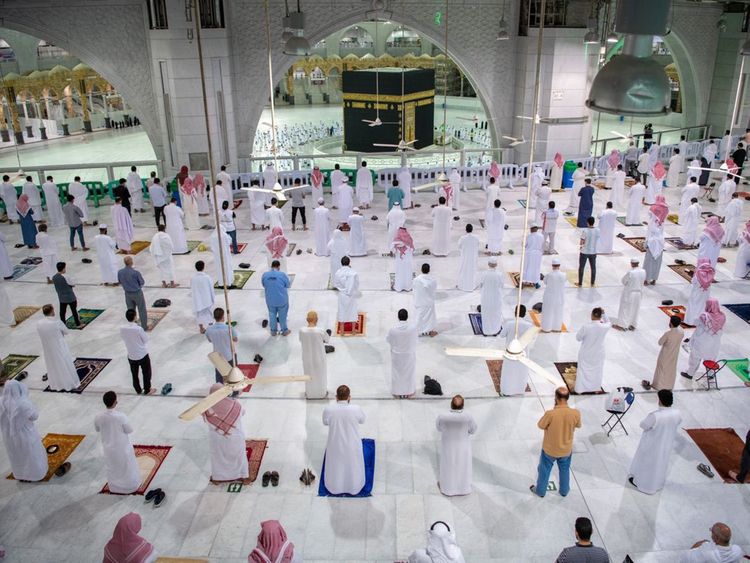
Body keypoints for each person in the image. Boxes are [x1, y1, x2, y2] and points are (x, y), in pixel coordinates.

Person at [628, 389, 682, 494]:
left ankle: (643, 484)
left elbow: (643, 425)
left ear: (660, 400)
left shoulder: (655, 415)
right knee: (660, 465)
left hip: (653, 444)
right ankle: (656, 484)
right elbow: (678, 422)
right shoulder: (677, 413)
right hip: (666, 443)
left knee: (647, 464)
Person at [531, 387, 581, 497]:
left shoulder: (550, 414)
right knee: (564, 470)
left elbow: (540, 425)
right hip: (566, 450)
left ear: (556, 397)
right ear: (567, 398)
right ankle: (564, 491)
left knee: (544, 470)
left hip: (550, 449)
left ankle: (540, 491)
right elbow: (578, 425)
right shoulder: (575, 413)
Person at [0, 381, 49, 482]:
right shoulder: (22, 403)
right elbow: (34, 416)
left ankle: (21, 475)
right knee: (31, 454)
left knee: (16, 455)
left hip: (8, 436)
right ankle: (36, 475)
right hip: (25, 434)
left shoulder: (1, 401)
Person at [321, 385, 366, 495]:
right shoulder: (356, 409)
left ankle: (335, 487)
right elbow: (362, 420)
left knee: (336, 466)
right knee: (353, 466)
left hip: (336, 444)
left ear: (336, 397)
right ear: (349, 397)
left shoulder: (329, 409)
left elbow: (325, 422)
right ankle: (354, 486)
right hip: (352, 444)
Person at [202, 383, 251, 484]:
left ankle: (217, 478)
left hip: (217, 439)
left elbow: (205, 418)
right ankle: (243, 476)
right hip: (235, 437)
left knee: (218, 458)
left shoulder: (206, 407)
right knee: (238, 456)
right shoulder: (234, 404)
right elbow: (243, 412)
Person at [95, 391, 141, 494]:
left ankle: (116, 487)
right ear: (116, 402)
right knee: (127, 467)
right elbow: (129, 430)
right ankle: (130, 486)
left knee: (113, 468)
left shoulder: (98, 416)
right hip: (122, 447)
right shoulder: (120, 416)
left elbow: (97, 428)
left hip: (108, 448)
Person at [436, 395, 477, 496]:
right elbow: (473, 429)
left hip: (448, 445)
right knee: (463, 466)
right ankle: (463, 488)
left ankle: (447, 488)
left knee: (448, 465)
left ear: (451, 404)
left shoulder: (442, 416)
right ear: (463, 406)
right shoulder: (468, 416)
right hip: (463, 446)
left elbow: (439, 427)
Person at [36, 304, 79, 391]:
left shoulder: (39, 323)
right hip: (59, 346)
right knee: (64, 364)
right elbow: (66, 331)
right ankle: (69, 383)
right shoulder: (56, 323)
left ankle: (57, 383)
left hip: (48, 348)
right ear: (52, 311)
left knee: (53, 365)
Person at [681, 298, 725, 381]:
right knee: (711, 358)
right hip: (715, 343)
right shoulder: (722, 316)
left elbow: (696, 324)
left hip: (702, 342)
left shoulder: (704, 316)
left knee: (695, 358)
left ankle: (690, 373)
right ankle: (710, 374)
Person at [498, 305, 535, 395]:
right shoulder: (530, 326)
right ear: (524, 314)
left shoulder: (509, 324)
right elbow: (532, 338)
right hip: (523, 354)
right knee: (521, 373)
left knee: (509, 373)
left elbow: (501, 335)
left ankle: (506, 391)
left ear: (515, 312)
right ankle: (519, 390)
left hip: (510, 353)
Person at [574, 307, 611, 393]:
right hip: (599, 353)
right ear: (600, 316)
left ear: (592, 315)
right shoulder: (604, 326)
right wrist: (604, 314)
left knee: (583, 370)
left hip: (586, 352)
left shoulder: (586, 327)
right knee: (597, 370)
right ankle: (595, 388)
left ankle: (580, 389)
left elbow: (578, 338)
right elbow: (609, 322)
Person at [642, 316, 684, 391]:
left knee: (661, 370)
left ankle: (658, 386)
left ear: (670, 323)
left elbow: (660, 342)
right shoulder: (681, 332)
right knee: (671, 370)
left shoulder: (668, 334)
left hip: (665, 354)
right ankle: (669, 386)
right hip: (674, 354)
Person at [120, 309, 154, 395]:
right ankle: (147, 389)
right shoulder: (138, 329)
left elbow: (124, 338)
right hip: (142, 354)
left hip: (131, 355)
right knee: (146, 372)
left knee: (134, 374)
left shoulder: (122, 328)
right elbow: (145, 340)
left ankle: (138, 389)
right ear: (135, 317)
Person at [386, 309, 418, 398]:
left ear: (398, 317)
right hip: (409, 354)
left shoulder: (392, 329)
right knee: (409, 373)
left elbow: (389, 340)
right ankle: (409, 391)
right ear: (407, 317)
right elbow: (416, 340)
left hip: (397, 355)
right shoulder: (413, 328)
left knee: (397, 374)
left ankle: (397, 391)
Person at [299, 310, 330, 399]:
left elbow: (301, 340)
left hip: (307, 357)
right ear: (316, 319)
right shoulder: (320, 330)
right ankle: (321, 393)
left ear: (307, 319)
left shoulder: (302, 330)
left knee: (309, 375)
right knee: (321, 375)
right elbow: (327, 339)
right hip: (319, 357)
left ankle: (310, 393)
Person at [678, 522, 743, 563]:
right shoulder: (738, 550)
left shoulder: (706, 552)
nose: (711, 532)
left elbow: (687, 557)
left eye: (712, 531)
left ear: (717, 538)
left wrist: (702, 544)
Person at [205, 307, 238, 383]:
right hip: (229, 355)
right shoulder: (229, 328)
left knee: (219, 375)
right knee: (232, 375)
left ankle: (219, 390)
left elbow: (210, 340)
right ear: (223, 316)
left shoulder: (209, 329)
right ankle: (234, 391)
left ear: (214, 317)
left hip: (217, 356)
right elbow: (235, 339)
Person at [614, 258, 646, 331]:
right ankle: (632, 324)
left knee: (625, 309)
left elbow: (623, 281)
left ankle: (622, 325)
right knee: (635, 309)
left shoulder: (631, 272)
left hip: (630, 293)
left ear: (632, 263)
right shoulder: (643, 271)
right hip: (639, 293)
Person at [117, 256, 148, 331]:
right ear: (131, 262)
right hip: (137, 293)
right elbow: (142, 282)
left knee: (130, 310)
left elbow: (120, 282)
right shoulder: (135, 272)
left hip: (127, 294)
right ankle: (144, 327)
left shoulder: (120, 272)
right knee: (141, 309)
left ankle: (132, 326)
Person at [261, 260, 291, 336]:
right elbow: (287, 285)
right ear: (279, 266)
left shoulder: (265, 275)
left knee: (272, 314)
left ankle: (273, 331)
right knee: (282, 315)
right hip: (281, 299)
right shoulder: (282, 275)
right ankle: (284, 331)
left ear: (271, 266)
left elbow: (263, 285)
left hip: (270, 299)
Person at [685, 257, 715, 326]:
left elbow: (693, 282)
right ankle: (700, 322)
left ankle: (690, 321)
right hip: (705, 294)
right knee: (702, 306)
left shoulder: (698, 273)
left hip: (696, 293)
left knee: (693, 306)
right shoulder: (710, 272)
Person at [333, 256, 360, 331]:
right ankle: (354, 331)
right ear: (349, 263)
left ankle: (342, 331)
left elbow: (335, 284)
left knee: (342, 311)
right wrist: (352, 289)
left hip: (342, 294)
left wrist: (342, 289)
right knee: (352, 311)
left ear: (341, 263)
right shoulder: (353, 272)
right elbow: (356, 283)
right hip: (351, 295)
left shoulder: (338, 273)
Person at [479, 258, 504, 336]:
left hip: (486, 297)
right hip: (496, 297)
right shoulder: (500, 274)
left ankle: (486, 331)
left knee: (486, 313)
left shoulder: (484, 274)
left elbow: (480, 284)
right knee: (495, 314)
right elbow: (502, 285)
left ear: (488, 264)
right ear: (496, 265)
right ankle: (495, 330)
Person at [52, 261, 81, 327]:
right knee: (74, 311)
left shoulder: (54, 277)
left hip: (61, 298)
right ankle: (78, 324)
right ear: (63, 268)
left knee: (62, 312)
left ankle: (63, 324)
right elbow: (73, 284)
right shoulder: (66, 276)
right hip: (70, 297)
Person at [541, 258, 565, 332]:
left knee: (548, 312)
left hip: (549, 297)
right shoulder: (564, 275)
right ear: (559, 265)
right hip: (559, 296)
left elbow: (545, 282)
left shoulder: (549, 275)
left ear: (552, 266)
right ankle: (557, 327)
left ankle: (546, 328)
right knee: (558, 312)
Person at [413, 263, 437, 337]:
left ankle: (418, 331)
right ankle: (429, 331)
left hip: (419, 302)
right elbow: (433, 290)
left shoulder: (416, 280)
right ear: (429, 270)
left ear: (421, 270)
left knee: (419, 317)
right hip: (428, 302)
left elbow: (415, 290)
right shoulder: (433, 280)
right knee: (430, 318)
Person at [191, 261, 214, 334]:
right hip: (206, 298)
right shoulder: (207, 277)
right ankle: (210, 327)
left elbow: (192, 289)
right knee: (208, 312)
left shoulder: (193, 278)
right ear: (203, 267)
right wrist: (212, 298)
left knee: (199, 314)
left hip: (198, 299)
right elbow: (211, 288)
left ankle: (201, 328)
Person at [576, 217, 599, 287]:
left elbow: (581, 242)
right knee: (593, 268)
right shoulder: (597, 230)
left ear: (587, 222)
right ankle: (592, 282)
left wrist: (582, 245)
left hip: (584, 252)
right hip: (593, 251)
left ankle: (580, 283)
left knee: (582, 267)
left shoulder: (585, 231)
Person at [457, 224, 480, 291]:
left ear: (465, 229)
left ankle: (463, 285)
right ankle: (472, 285)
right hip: (473, 257)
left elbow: (459, 246)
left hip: (465, 257)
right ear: (472, 229)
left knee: (464, 270)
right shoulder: (476, 237)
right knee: (472, 270)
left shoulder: (462, 238)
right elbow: (478, 244)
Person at [392, 226, 415, 292]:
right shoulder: (409, 240)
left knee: (399, 273)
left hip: (399, 263)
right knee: (407, 273)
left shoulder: (395, 242)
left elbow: (393, 250)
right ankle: (408, 287)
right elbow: (412, 250)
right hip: (407, 262)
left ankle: (399, 287)